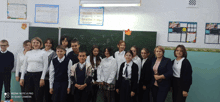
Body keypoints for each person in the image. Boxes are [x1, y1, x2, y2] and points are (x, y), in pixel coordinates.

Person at [20, 37, 48, 102]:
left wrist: (42, 78)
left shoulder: (43, 53)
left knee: (38, 95)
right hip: (29, 75)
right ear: (31, 44)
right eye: (34, 43)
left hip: (39, 76)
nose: (35, 44)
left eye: (37, 43)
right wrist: (22, 78)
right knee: (29, 95)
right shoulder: (28, 53)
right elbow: (24, 66)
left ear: (40, 44)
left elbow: (45, 66)